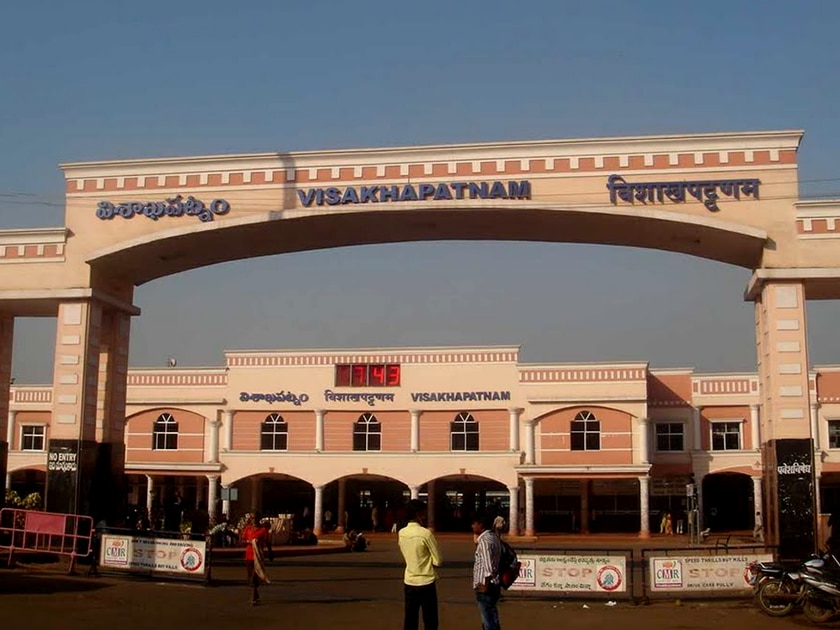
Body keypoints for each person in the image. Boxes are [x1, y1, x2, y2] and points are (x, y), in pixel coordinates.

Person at [398, 499, 443, 630]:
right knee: (430, 619)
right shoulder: (426, 533)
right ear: (418, 514)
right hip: (426, 580)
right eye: (423, 512)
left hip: (410, 579)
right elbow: (438, 560)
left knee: (410, 618)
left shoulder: (402, 533)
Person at [472, 513, 502, 630]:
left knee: (488, 618)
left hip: (486, 584)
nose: (472, 527)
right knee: (492, 616)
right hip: (494, 583)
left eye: (474, 524)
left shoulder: (484, 541)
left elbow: (488, 564)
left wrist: (485, 583)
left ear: (481, 525)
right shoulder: (494, 538)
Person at [241, 512, 272, 605]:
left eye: (254, 518)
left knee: (255, 575)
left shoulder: (263, 530)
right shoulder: (248, 529)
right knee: (250, 575)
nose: (253, 520)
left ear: (258, 518)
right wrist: (250, 542)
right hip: (249, 555)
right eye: (251, 518)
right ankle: (255, 592)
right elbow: (243, 540)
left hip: (258, 555)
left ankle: (253, 595)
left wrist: (270, 552)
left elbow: (267, 542)